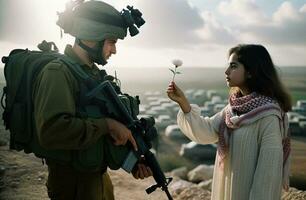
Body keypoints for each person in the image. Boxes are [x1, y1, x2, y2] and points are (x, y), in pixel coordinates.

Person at [32, 1, 152, 199]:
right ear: (92, 37)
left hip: (98, 180)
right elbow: (51, 131)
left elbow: (101, 137)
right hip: (72, 186)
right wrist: (107, 125)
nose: (114, 50)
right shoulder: (57, 73)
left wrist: (132, 163)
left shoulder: (93, 74)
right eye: (112, 42)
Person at [167, 44, 292, 200]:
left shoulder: (269, 117)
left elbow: (267, 177)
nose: (226, 72)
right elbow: (207, 132)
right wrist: (183, 103)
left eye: (233, 66)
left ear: (251, 72)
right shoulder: (233, 108)